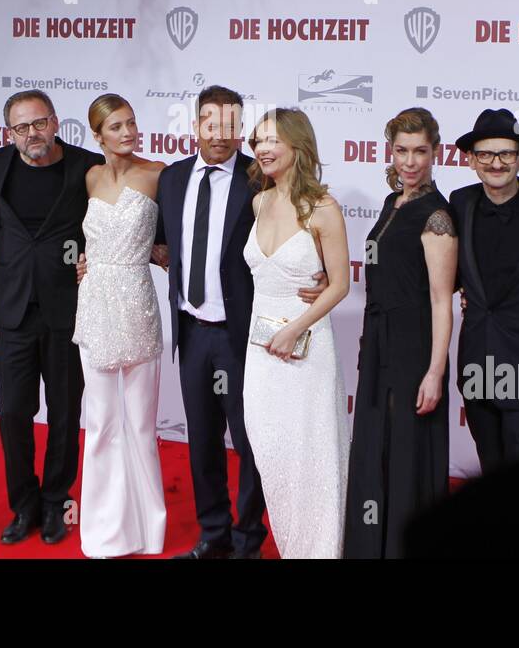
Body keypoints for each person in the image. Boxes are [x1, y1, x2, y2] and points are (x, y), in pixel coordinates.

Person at [146, 85, 325, 559]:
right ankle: (214, 533)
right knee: (202, 440)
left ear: (240, 130)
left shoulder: (260, 181)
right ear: (195, 126)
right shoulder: (173, 179)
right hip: (190, 329)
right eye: (211, 123)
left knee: (250, 443)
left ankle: (248, 539)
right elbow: (162, 244)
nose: (220, 134)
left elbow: (299, 232)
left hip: (243, 336)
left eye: (230, 125)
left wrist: (320, 268)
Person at [0, 89, 104, 545]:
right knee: (14, 412)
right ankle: (24, 504)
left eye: (39, 124)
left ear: (55, 123)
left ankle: (57, 501)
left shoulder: (86, 166)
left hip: (67, 311)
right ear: (9, 132)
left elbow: (116, 216)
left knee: (65, 411)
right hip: (12, 310)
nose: (32, 134)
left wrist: (99, 256)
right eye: (21, 127)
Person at [344, 107, 457, 559]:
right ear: (390, 152)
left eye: (420, 152)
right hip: (379, 345)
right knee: (378, 448)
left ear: (436, 153)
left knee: (406, 453)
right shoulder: (394, 203)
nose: (410, 162)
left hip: (413, 351)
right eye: (401, 151)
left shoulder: (437, 218)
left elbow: (441, 300)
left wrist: (435, 371)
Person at [243, 107, 350, 559]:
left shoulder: (322, 208)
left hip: (306, 351)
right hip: (260, 350)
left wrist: (295, 329)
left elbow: (341, 284)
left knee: (312, 457)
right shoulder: (259, 201)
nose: (263, 149)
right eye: (258, 141)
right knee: (272, 455)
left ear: (297, 146)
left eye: (272, 141)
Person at [71, 94, 167, 558]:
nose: (128, 132)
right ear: (97, 135)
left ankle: (149, 529)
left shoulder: (158, 174)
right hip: (93, 306)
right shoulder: (88, 177)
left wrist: (159, 253)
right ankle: (106, 532)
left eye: (131, 123)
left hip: (138, 306)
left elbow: (178, 238)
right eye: (116, 127)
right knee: (103, 422)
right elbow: (78, 237)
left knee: (141, 425)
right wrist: (81, 261)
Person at [449, 108, 519, 474]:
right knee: (490, 465)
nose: (496, 163)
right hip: (477, 358)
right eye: (485, 154)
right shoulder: (459, 203)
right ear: (471, 160)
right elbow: (444, 271)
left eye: (506, 154)